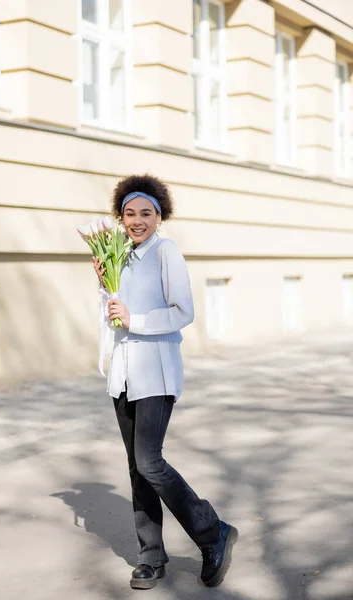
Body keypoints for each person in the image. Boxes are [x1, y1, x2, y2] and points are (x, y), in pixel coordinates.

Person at [92, 174, 238, 590]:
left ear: (160, 216)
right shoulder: (120, 252)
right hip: (123, 373)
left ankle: (212, 532)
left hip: (154, 371)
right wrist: (104, 283)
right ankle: (150, 558)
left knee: (150, 461)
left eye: (146, 213)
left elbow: (182, 311)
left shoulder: (165, 252)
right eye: (129, 214)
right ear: (120, 217)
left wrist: (134, 319)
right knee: (137, 469)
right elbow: (112, 315)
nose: (137, 221)